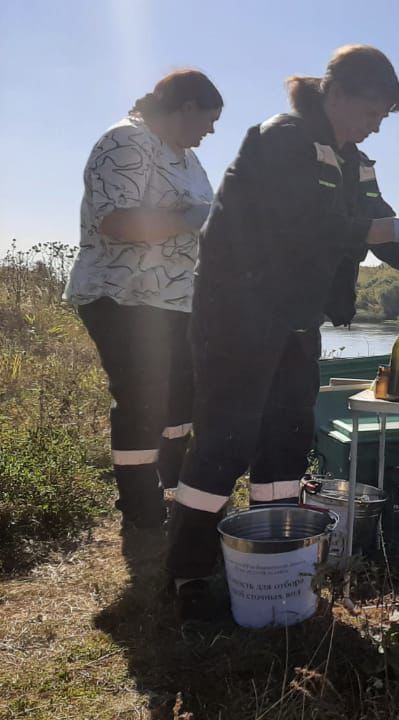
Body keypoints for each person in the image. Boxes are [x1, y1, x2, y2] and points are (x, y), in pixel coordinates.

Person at [165, 45, 399, 618]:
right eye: (371, 112)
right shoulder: (279, 138)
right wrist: (388, 223)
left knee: (288, 438)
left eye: (384, 118)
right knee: (227, 439)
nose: (375, 127)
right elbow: (299, 224)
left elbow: (381, 236)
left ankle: (274, 555)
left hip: (295, 316)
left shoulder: (355, 162)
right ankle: (186, 574)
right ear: (336, 94)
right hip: (237, 309)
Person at [65, 70, 222, 530]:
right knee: (141, 399)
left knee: (182, 396)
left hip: (176, 298)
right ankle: (140, 506)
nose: (210, 131)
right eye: (208, 119)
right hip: (123, 295)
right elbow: (117, 222)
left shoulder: (186, 157)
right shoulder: (125, 141)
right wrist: (189, 220)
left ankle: (172, 487)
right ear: (185, 107)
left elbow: (201, 221)